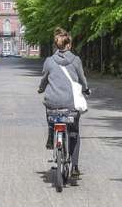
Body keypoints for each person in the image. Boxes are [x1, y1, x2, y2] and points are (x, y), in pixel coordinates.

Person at [37, 27, 90, 177]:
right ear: (69, 45)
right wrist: (86, 89)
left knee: (50, 110)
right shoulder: (76, 60)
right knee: (74, 132)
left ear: (56, 45)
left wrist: (41, 89)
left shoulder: (49, 61)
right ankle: (75, 167)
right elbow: (82, 79)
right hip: (70, 105)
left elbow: (44, 79)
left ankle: (51, 136)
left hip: (53, 104)